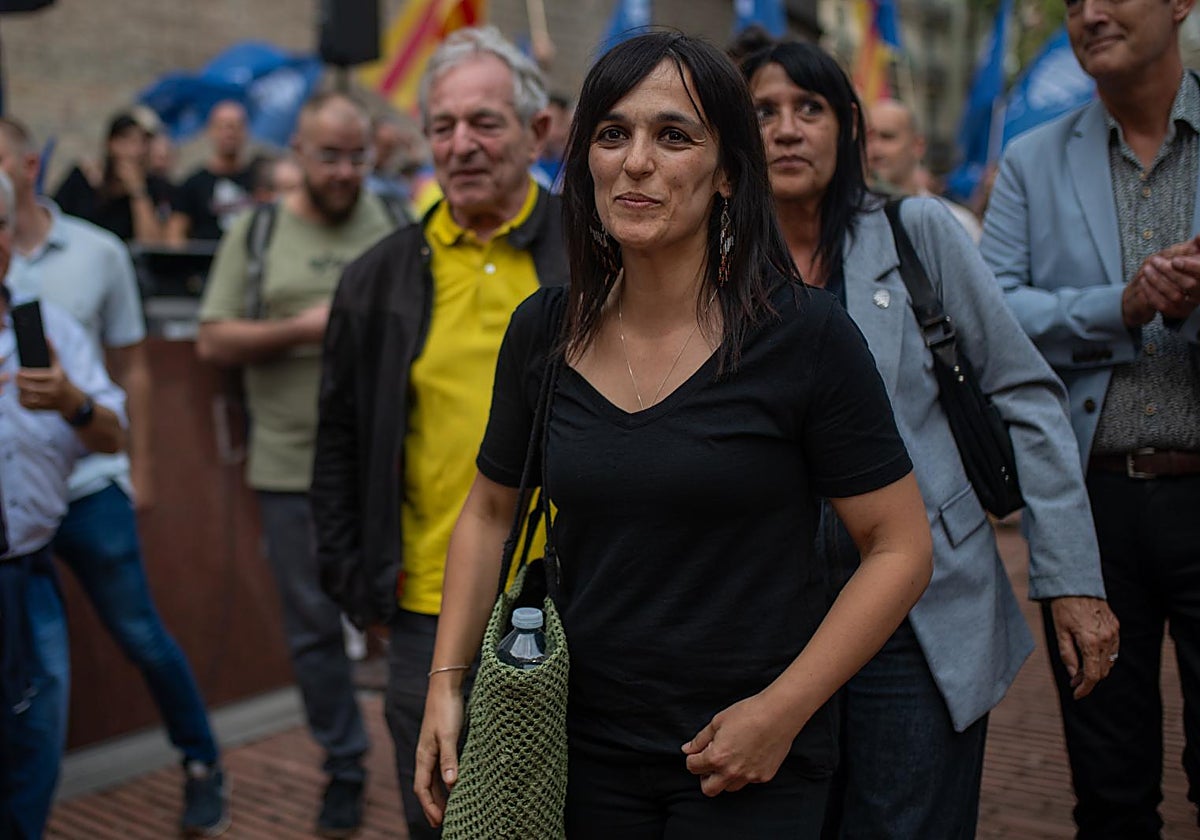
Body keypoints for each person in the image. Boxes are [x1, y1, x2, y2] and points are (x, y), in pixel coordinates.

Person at [413, 32, 933, 839]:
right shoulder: (544, 330)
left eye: (675, 136)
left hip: (747, 759)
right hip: (577, 749)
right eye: (613, 134)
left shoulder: (805, 338)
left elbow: (899, 548)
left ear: (727, 173)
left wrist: (783, 710)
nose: (636, 162)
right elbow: (487, 513)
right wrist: (448, 683)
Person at [741, 40, 1119, 838]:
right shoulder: (716, 266)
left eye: (808, 110)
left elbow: (1025, 393)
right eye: (763, 112)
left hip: (922, 606)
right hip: (772, 617)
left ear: (846, 128)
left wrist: (1071, 576)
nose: (785, 130)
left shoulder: (917, 233)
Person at [310, 26, 566, 839]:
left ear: (535, 132)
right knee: (448, 816)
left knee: (578, 810)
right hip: (426, 607)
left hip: (584, 598)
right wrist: (357, 582)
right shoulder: (377, 275)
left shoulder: (595, 255)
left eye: (485, 122)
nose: (461, 145)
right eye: (443, 126)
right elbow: (340, 442)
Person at [981, 0, 1200, 835]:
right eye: (1072, 1)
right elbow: (992, 312)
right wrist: (1122, 303)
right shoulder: (1034, 158)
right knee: (1110, 789)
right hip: (1089, 506)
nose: (1089, 13)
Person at [0, 116, 230, 836]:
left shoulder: (97, 253)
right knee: (36, 676)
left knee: (138, 632)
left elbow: (131, 366)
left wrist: (143, 467)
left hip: (89, 478)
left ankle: (200, 760)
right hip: (15, 511)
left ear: (28, 166)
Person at [196, 91, 394, 838]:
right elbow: (213, 341)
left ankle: (433, 748)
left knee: (415, 612)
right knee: (313, 629)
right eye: (328, 155)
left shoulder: (399, 223)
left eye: (357, 156)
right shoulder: (256, 233)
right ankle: (344, 765)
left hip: (389, 463)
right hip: (289, 467)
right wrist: (307, 327)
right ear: (298, 156)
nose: (344, 171)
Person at [0, 170, 128, 840]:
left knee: (38, 737)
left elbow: (114, 435)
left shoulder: (45, 330)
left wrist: (73, 401)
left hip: (32, 567)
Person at [866, 98, 982, 241]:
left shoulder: (956, 222)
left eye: (887, 137)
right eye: (868, 138)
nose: (875, 149)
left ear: (917, 145)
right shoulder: (850, 223)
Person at [52, 110, 170, 244]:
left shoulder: (154, 187)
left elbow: (151, 244)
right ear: (111, 143)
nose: (136, 151)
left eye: (143, 142)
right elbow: (55, 219)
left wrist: (138, 191)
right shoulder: (82, 178)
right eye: (128, 141)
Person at [168, 101, 255, 244]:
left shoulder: (260, 180)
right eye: (222, 127)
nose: (229, 133)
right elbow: (175, 234)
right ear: (210, 131)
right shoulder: (192, 184)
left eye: (235, 127)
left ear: (245, 131)